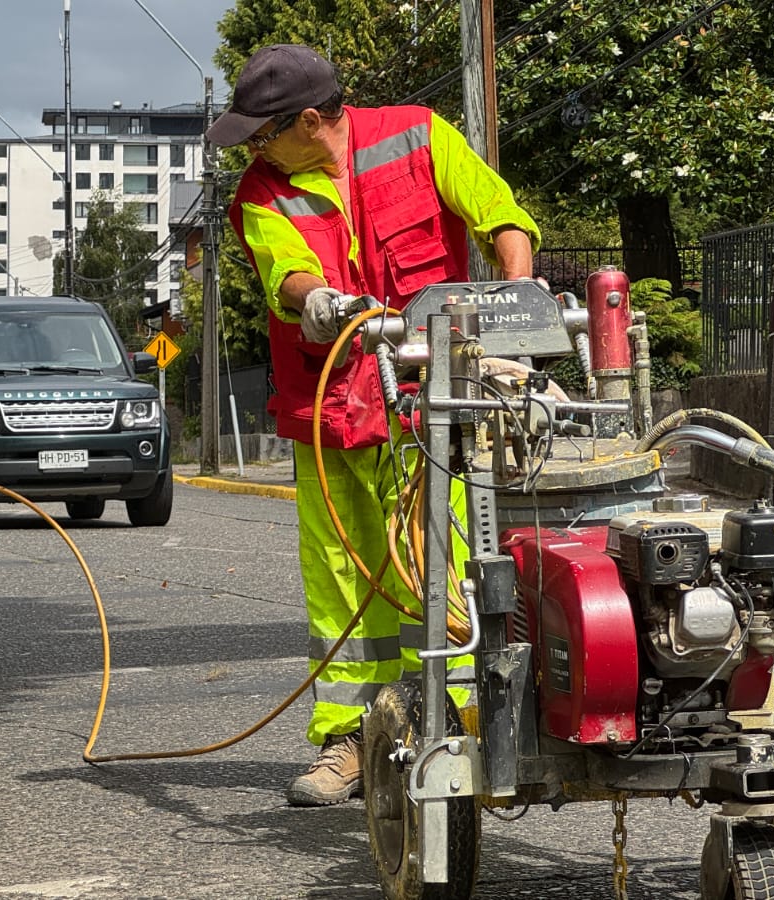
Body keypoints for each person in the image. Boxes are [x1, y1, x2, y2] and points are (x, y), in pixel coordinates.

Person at [208, 44, 543, 806]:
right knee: (340, 578)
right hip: (331, 408)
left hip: (436, 403)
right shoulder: (263, 191)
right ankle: (351, 739)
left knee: (442, 570)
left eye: (264, 132)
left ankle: (457, 725)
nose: (255, 150)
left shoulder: (420, 136)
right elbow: (283, 268)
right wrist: (315, 298)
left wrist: (518, 296)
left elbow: (500, 216)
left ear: (312, 121)